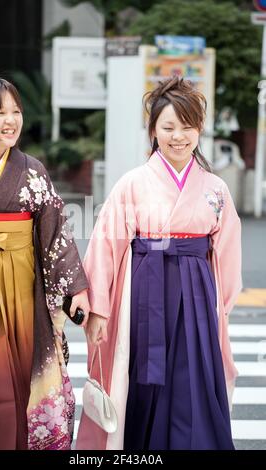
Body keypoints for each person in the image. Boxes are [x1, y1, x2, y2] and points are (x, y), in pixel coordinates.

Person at [76, 76, 242, 450]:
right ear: (152, 130)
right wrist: (98, 307)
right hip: (144, 290)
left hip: (198, 291)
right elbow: (106, 243)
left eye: (187, 127)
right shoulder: (133, 183)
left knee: (193, 377)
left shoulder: (215, 188)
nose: (178, 136)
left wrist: (223, 306)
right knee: (142, 377)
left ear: (200, 129)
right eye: (168, 127)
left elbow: (228, 250)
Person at [0, 78, 90, 450]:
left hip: (21, 287)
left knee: (18, 373)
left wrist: (75, 289)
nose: (10, 121)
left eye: (16, 111)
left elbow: (56, 232)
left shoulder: (31, 169)